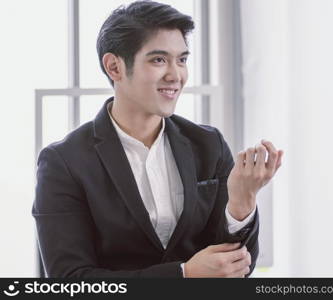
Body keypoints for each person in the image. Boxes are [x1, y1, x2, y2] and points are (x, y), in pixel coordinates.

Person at [32, 0, 283, 278]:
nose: (175, 75)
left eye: (182, 60)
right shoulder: (64, 162)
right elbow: (70, 281)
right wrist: (183, 274)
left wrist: (242, 201)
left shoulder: (208, 145)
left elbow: (236, 267)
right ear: (114, 67)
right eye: (158, 59)